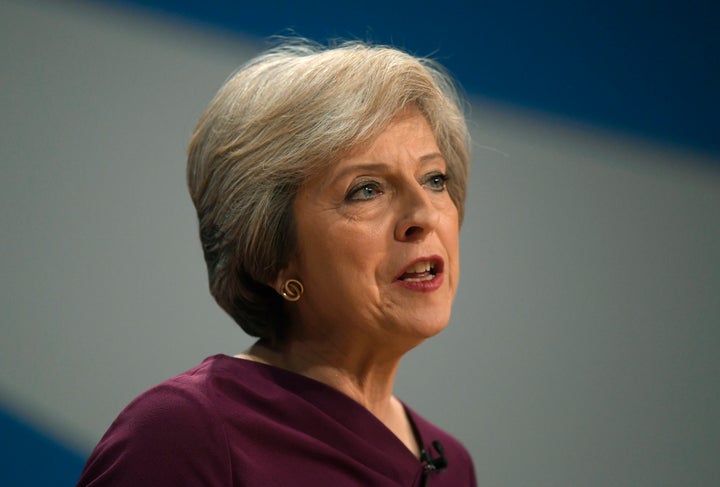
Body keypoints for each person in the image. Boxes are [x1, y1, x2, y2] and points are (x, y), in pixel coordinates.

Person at [76, 38, 475, 486]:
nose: (422, 216)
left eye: (434, 179)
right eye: (366, 189)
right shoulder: (187, 434)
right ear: (274, 256)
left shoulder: (451, 467)